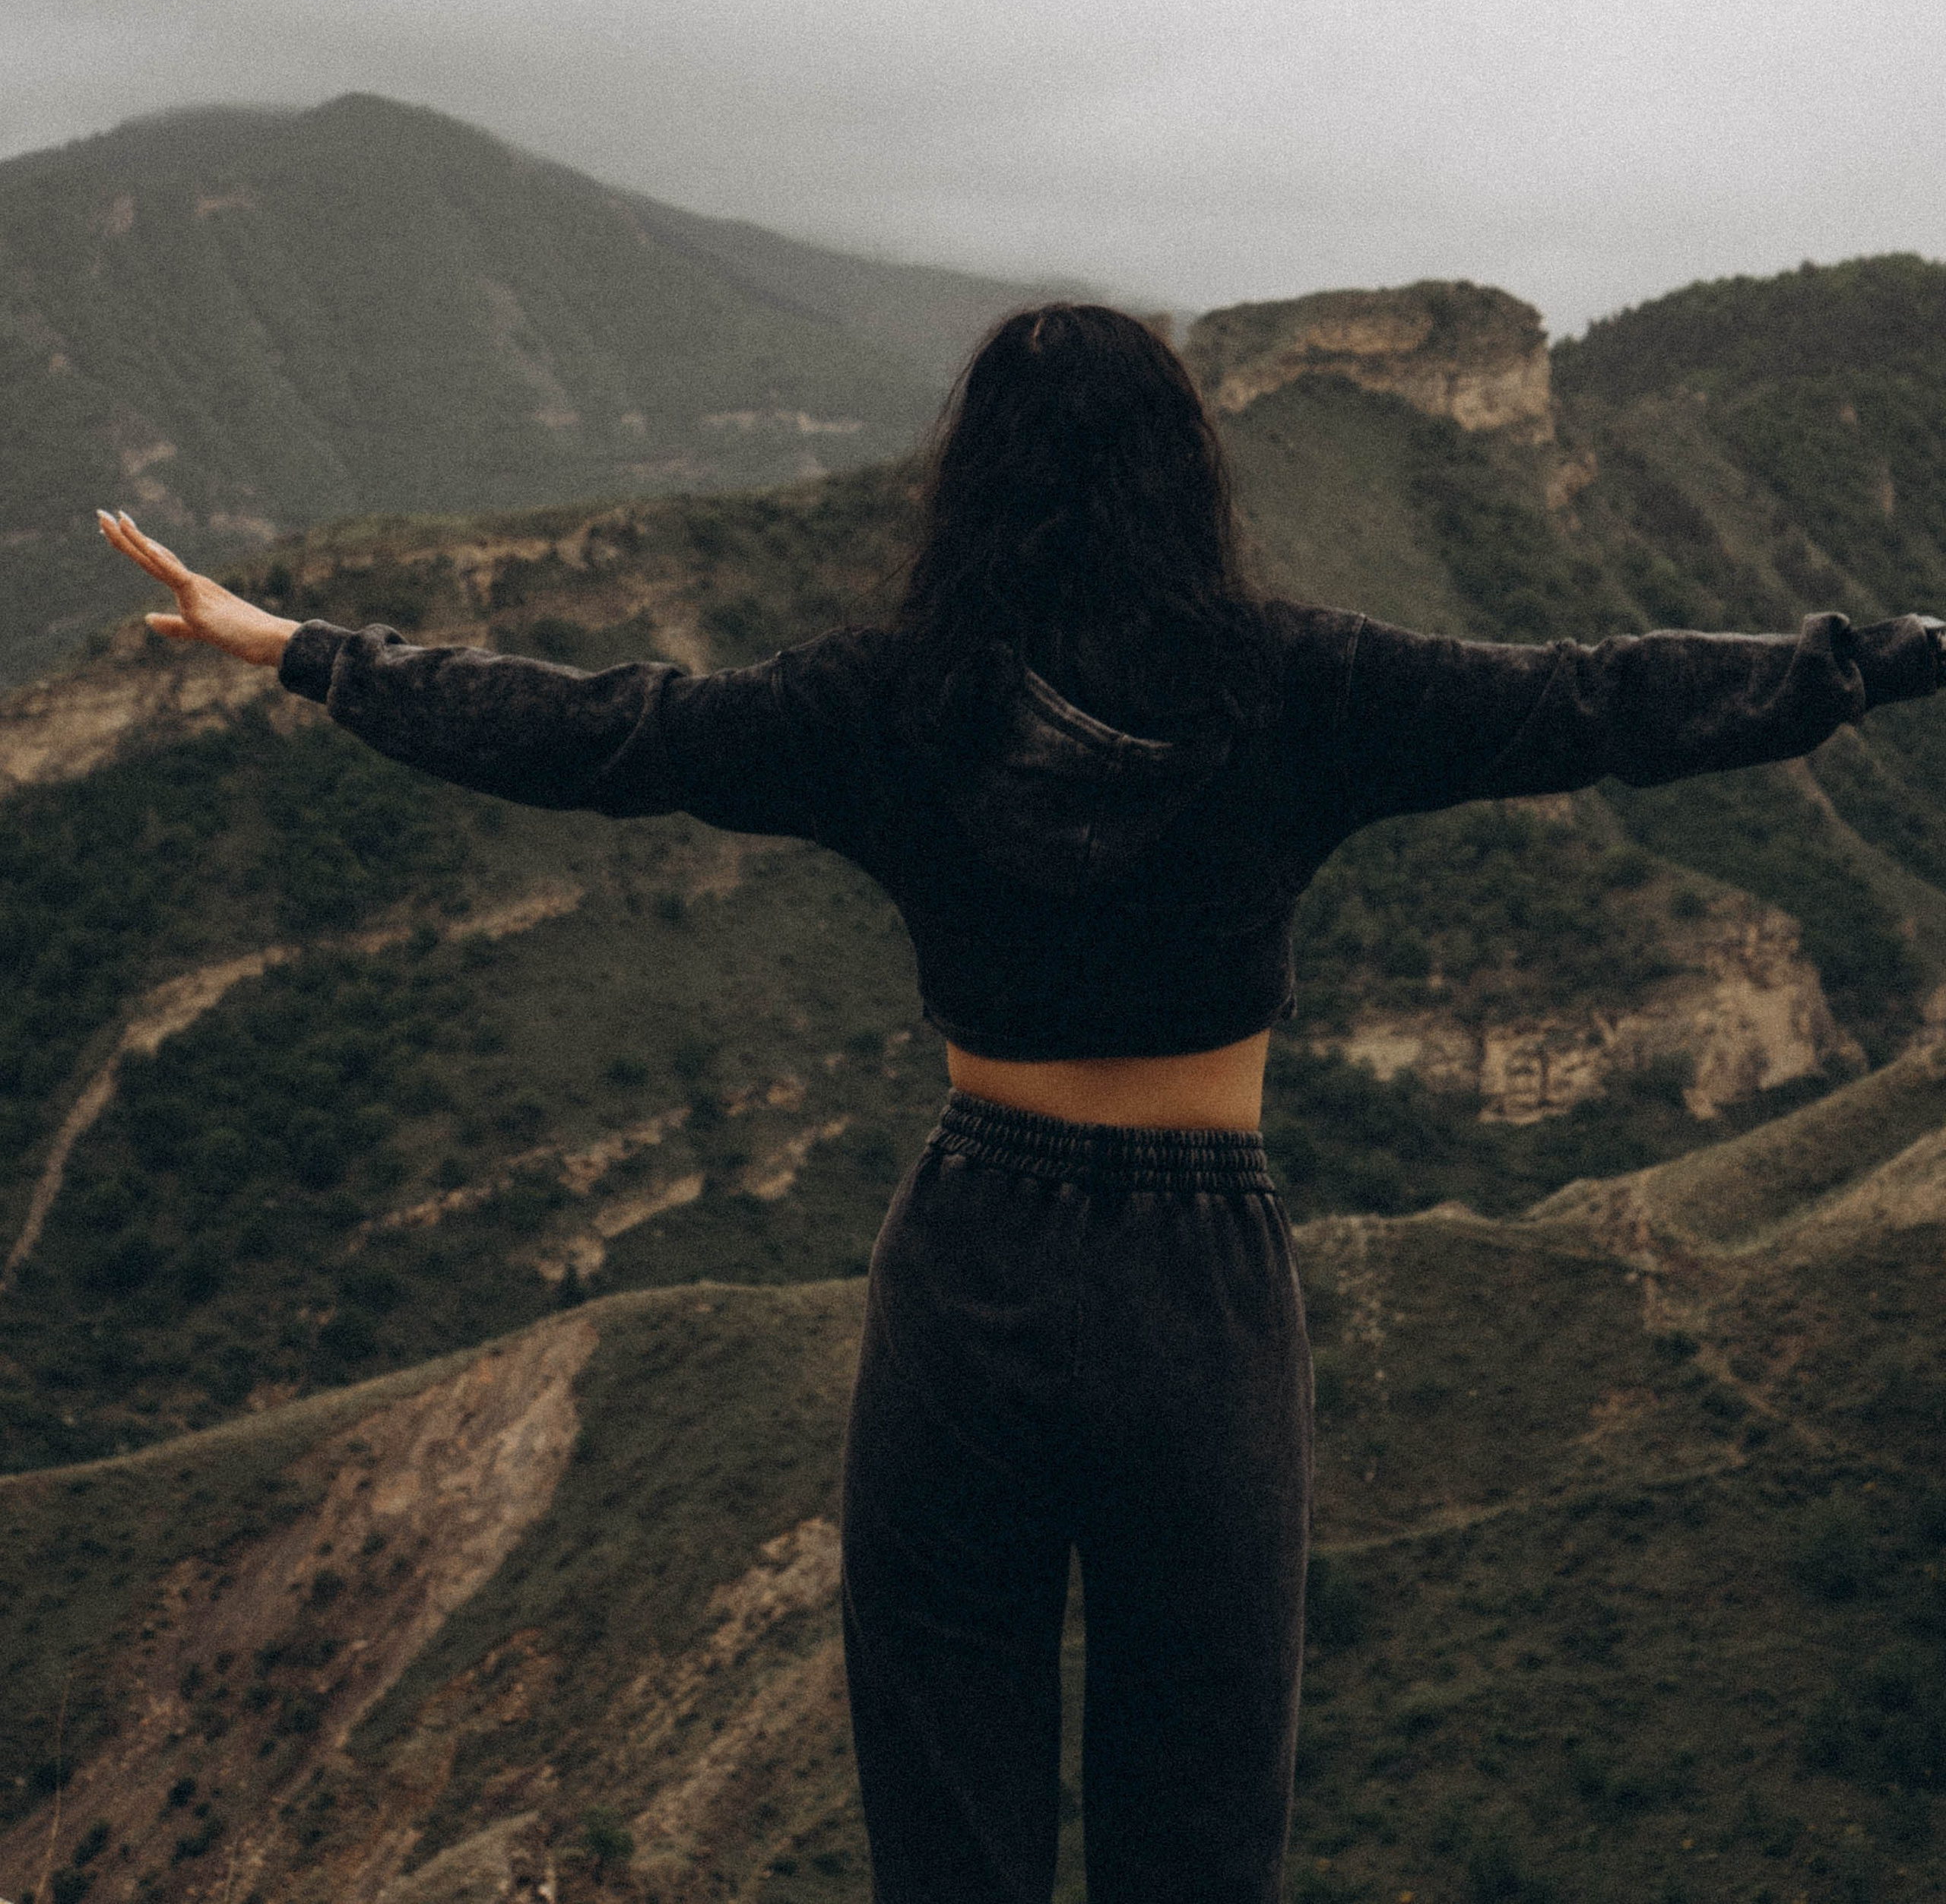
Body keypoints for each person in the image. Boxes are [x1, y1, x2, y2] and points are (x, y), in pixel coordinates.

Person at [98, 303, 1944, 1904]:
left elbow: (600, 732)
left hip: (967, 1253)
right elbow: (1598, 700)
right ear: (1184, 478)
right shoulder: (1298, 684)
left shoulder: (886, 702)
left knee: (944, 1796)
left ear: (967, 486)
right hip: (1199, 1280)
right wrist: (1889, 655)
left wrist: (302, 648)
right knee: (1198, 1795)